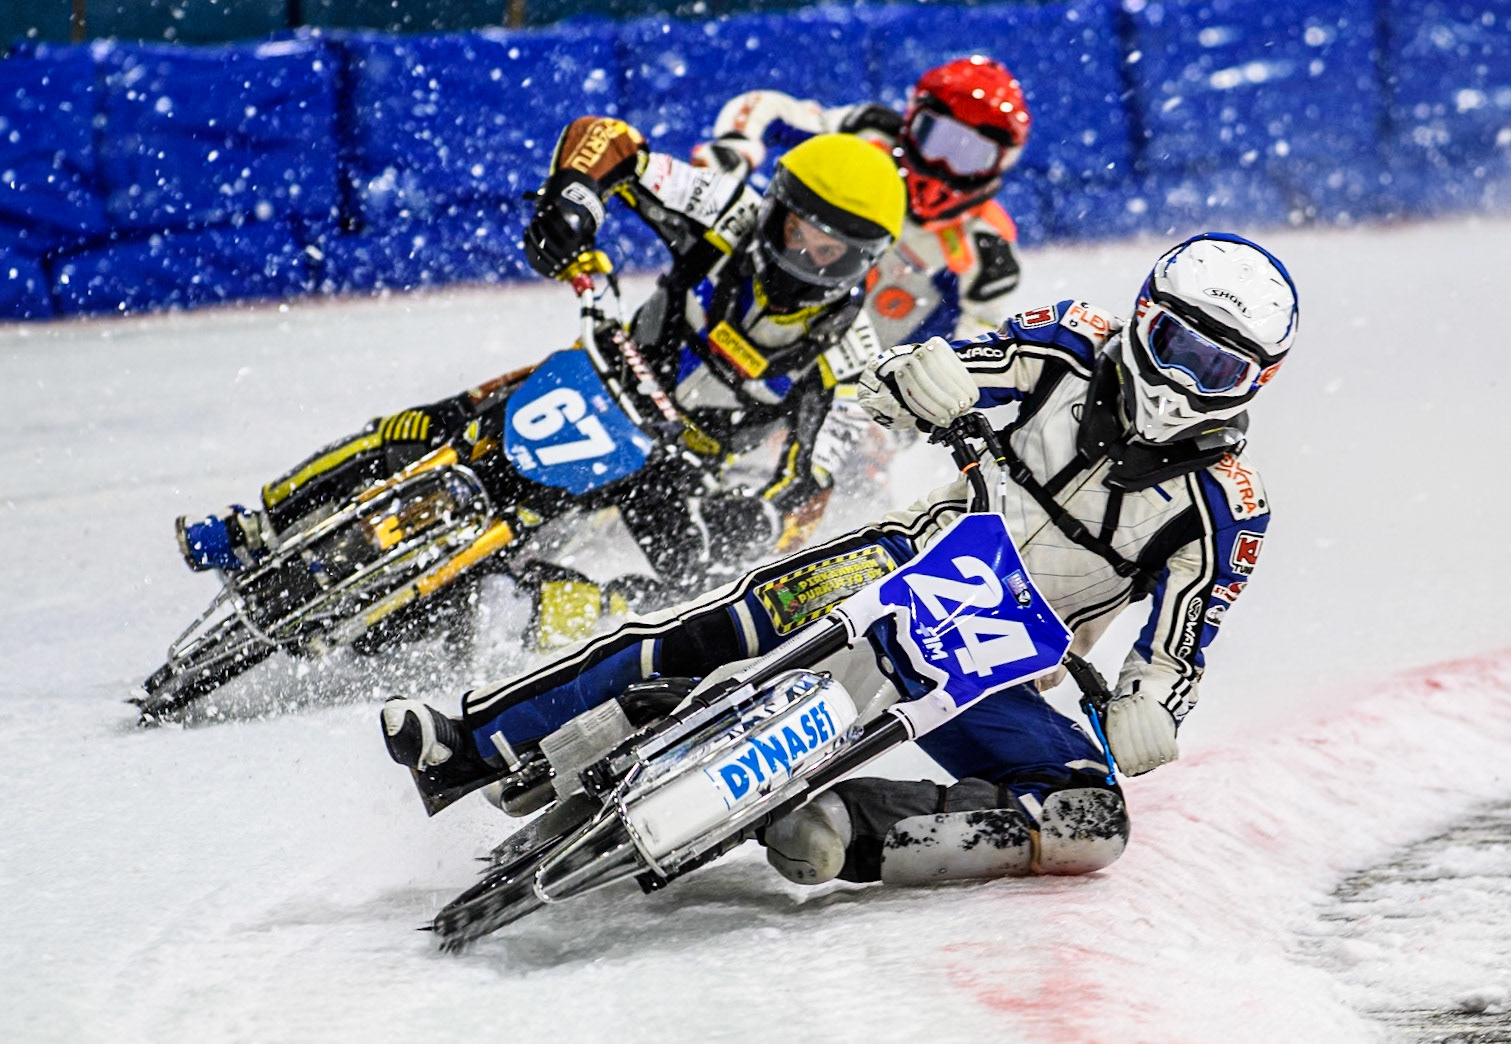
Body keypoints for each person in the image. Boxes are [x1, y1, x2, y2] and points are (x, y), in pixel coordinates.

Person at [381, 231, 1296, 888]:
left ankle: (841, 827)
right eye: (1175, 347)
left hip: (995, 667)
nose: (1180, 384)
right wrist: (919, 380)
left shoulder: (1226, 515)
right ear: (1142, 321)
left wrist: (1149, 708)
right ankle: (468, 746)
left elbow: (1177, 647)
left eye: (1216, 371)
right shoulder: (1065, 344)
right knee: (713, 628)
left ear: (1256, 383)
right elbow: (919, 378)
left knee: (1088, 823)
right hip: (904, 564)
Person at [175, 127, 906, 636]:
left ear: (863, 262)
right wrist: (575, 199)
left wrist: (766, 519)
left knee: (705, 591)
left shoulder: (846, 361)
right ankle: (256, 526)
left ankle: (535, 615)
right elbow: (610, 141)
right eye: (796, 230)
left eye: (832, 251)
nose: (805, 255)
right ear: (773, 209)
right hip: (603, 373)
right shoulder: (726, 211)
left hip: (676, 467)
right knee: (427, 429)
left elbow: (811, 479)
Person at [694, 55, 1032, 348]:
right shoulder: (867, 133)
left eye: (971, 154)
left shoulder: (989, 250)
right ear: (912, 118)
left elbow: (973, 357)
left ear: (999, 165)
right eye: (937, 138)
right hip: (744, 311)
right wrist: (737, 147)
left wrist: (908, 408)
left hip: (855, 396)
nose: (943, 167)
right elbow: (769, 108)